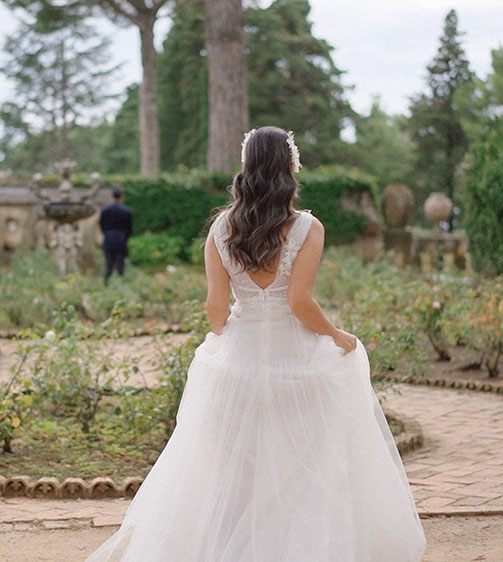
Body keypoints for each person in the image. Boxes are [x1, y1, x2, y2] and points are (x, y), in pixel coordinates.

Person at [84, 126, 426, 562]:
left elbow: (216, 311)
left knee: (238, 473)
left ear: (246, 168)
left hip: (238, 365)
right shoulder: (307, 227)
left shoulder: (220, 230)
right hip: (296, 363)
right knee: (302, 470)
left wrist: (235, 342)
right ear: (290, 166)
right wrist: (337, 336)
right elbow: (299, 302)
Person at [99, 188, 133, 284]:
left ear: (111, 196)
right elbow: (129, 228)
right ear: (122, 197)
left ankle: (106, 284)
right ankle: (121, 285)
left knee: (108, 265)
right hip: (121, 240)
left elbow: (102, 225)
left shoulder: (105, 210)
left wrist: (106, 233)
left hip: (108, 239)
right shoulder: (126, 211)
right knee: (120, 266)